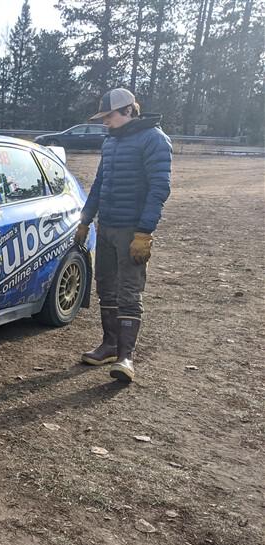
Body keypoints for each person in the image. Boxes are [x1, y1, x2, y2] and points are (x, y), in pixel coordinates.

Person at [75, 88, 172, 383]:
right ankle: (109, 344)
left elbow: (159, 189)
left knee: (129, 291)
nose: (105, 121)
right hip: (106, 227)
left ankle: (125, 356)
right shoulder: (112, 141)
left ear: (128, 111)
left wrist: (144, 232)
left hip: (132, 230)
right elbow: (100, 183)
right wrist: (86, 220)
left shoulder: (154, 140)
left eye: (109, 115)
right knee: (106, 286)